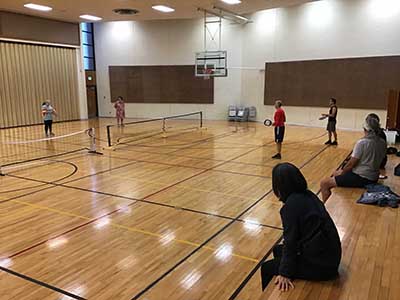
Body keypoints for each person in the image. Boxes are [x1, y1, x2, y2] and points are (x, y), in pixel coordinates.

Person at [261, 163, 341, 292]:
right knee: (277, 250)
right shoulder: (309, 195)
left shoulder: (291, 207)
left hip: (323, 266)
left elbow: (290, 242)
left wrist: (285, 273)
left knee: (266, 268)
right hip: (329, 254)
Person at [320, 114, 387, 201]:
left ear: (365, 129)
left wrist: (342, 172)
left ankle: (323, 211)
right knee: (336, 174)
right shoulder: (382, 142)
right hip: (374, 176)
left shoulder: (362, 143)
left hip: (361, 178)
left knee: (324, 183)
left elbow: (351, 164)